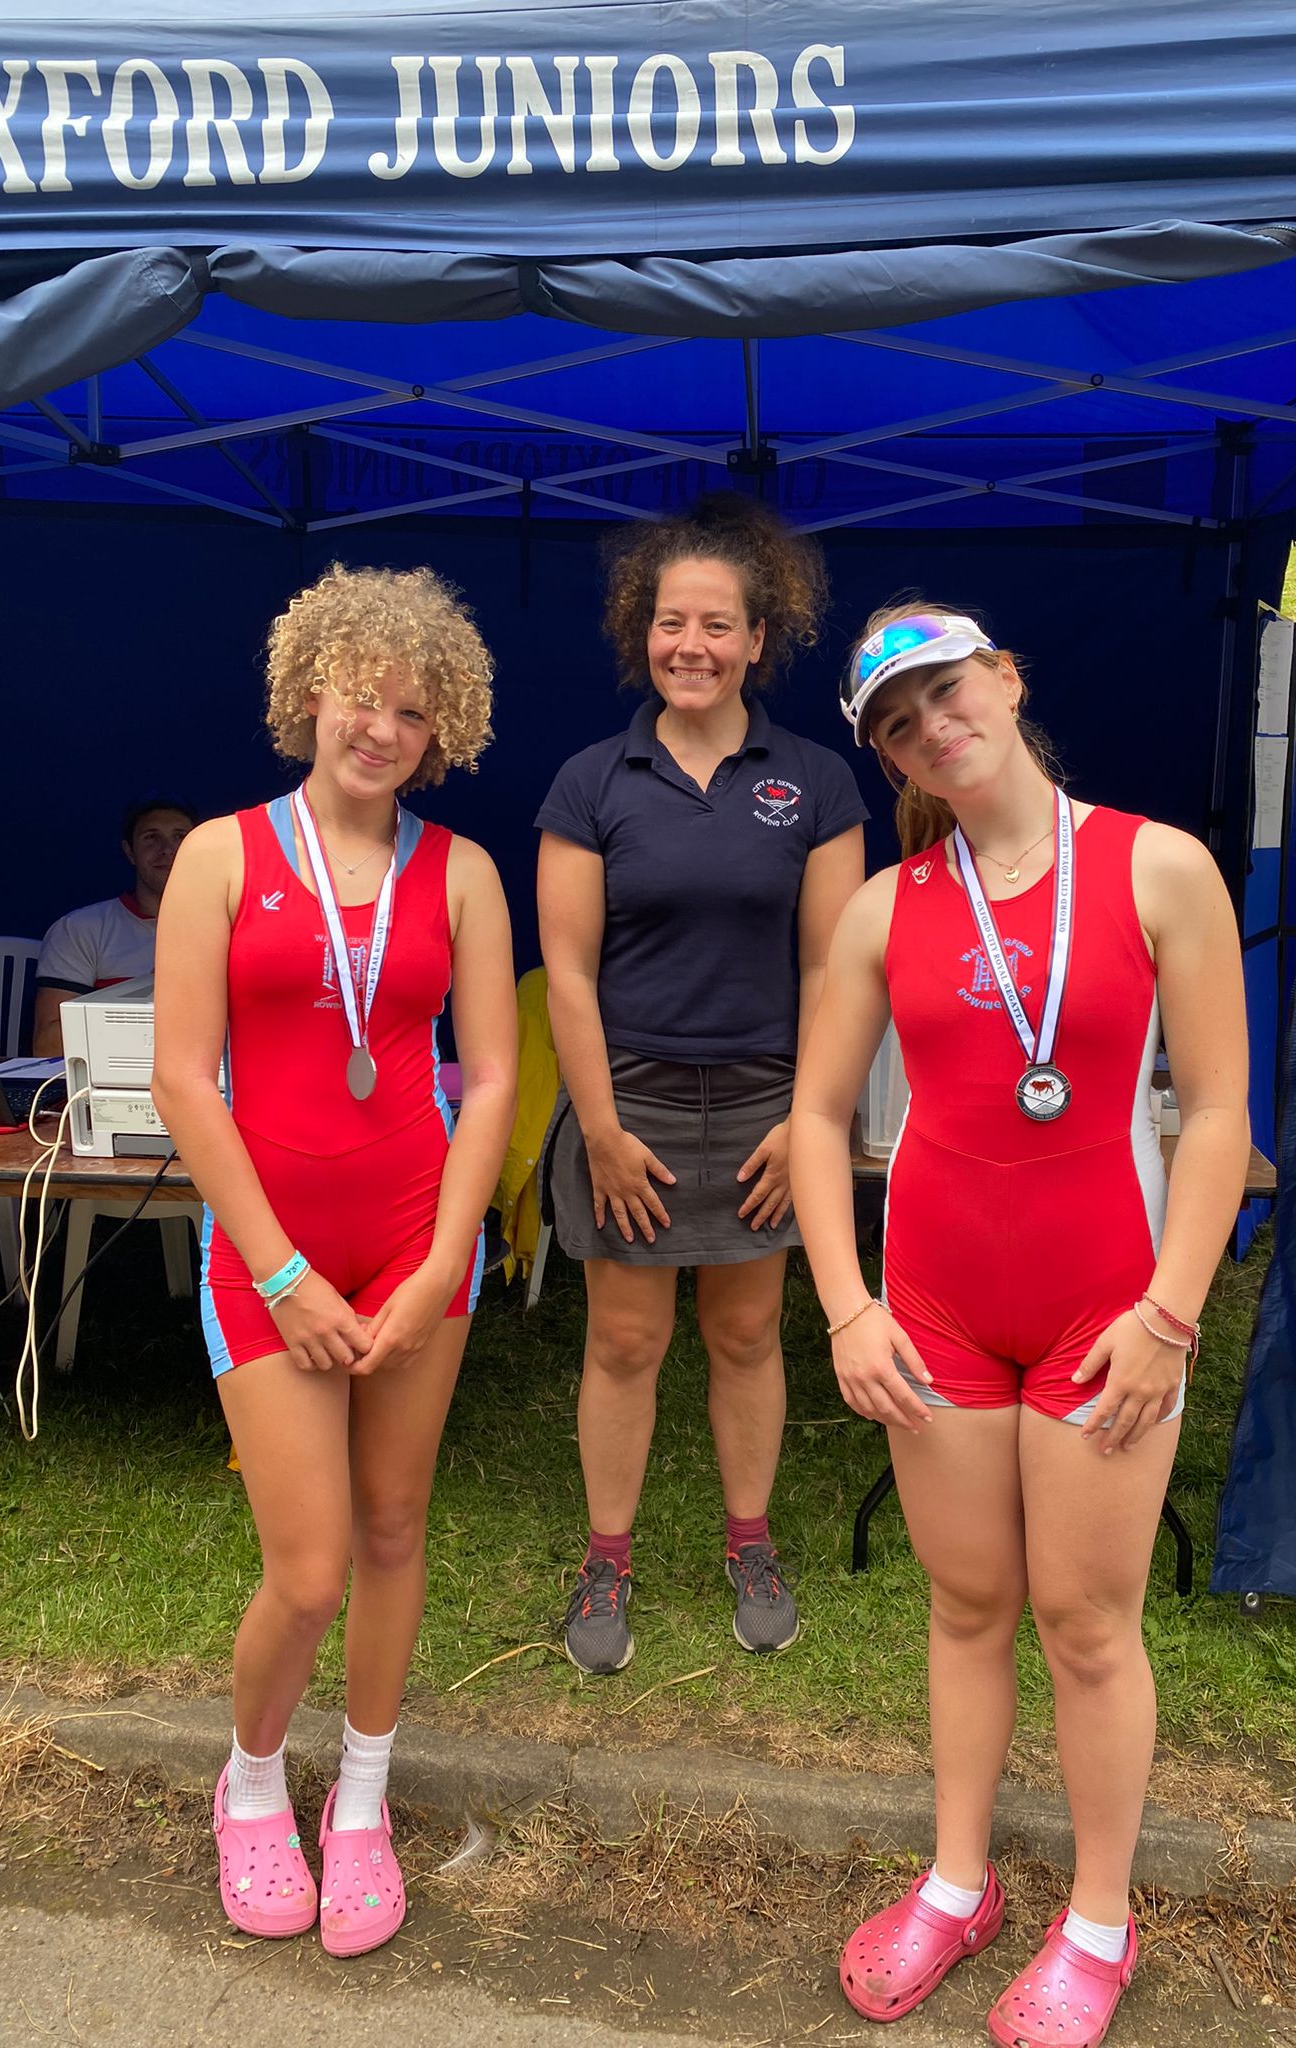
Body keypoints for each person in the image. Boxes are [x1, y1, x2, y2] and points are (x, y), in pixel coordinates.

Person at [790, 607, 1248, 2044]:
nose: (932, 727)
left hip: (1109, 1309)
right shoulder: (886, 906)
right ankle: (958, 1881)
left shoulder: (1158, 866)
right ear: (888, 757)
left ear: (1006, 677)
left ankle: (1099, 1920)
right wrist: (847, 1308)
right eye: (897, 723)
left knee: (1087, 1622)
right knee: (968, 1604)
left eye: (946, 691)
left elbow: (1219, 1110)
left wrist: (1171, 1315)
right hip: (934, 1309)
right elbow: (814, 1117)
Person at [151, 565, 516, 1958]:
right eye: (363, 695)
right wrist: (284, 1273)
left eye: (415, 712)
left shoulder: (463, 873)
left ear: (443, 732)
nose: (382, 728)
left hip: (419, 1249)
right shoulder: (221, 856)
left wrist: (441, 1262)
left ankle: (360, 1799)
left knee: (394, 1528)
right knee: (307, 1572)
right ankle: (251, 1785)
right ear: (310, 690)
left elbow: (493, 1079)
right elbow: (184, 1079)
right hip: (271, 1257)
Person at [536, 494, 867, 1676]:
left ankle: (750, 1543)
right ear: (645, 630)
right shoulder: (591, 781)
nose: (692, 645)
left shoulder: (818, 781)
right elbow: (567, 973)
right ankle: (606, 1558)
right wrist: (602, 1129)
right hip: (630, 1100)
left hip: (769, 1102)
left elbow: (833, 966)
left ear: (758, 638)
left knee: (746, 1330)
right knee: (626, 1339)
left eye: (717, 624)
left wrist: (806, 1120)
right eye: (671, 621)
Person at [32, 798, 198, 1053]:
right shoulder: (80, 929)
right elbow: (47, 1046)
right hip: (111, 1072)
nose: (167, 849)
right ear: (130, 851)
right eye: (151, 837)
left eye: (180, 837)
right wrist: (144, 997)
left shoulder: (233, 927)